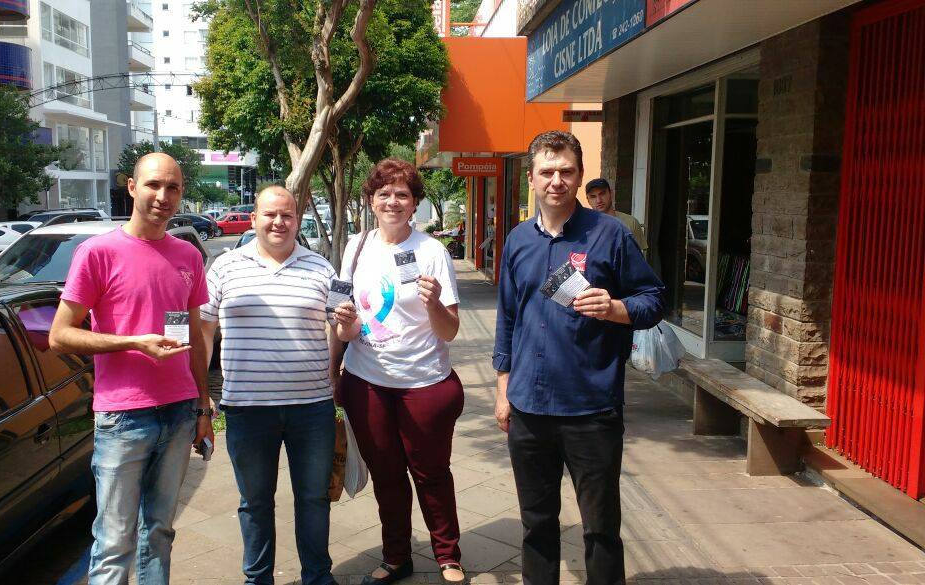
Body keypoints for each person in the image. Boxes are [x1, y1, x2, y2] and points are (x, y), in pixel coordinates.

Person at [494, 131, 665, 585]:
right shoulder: (516, 240)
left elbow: (653, 300)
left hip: (592, 408)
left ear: (579, 176)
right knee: (537, 525)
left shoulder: (610, 235)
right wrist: (502, 391)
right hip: (529, 409)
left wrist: (615, 309)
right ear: (531, 178)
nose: (556, 181)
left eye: (566, 171)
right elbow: (507, 318)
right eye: (547, 172)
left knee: (601, 528)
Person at [49, 152, 214, 585]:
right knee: (114, 541)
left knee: (159, 533)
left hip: (179, 413)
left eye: (173, 187)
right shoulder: (98, 252)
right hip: (123, 416)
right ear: (132, 187)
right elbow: (60, 335)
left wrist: (203, 406)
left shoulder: (188, 255)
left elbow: (195, 337)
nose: (163, 196)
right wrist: (133, 343)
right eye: (154, 185)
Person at [200, 186, 355, 585]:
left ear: (298, 218)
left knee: (314, 500)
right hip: (247, 410)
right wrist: (200, 392)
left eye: (287, 215)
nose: (278, 222)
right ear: (253, 219)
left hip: (311, 408)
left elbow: (342, 327)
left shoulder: (322, 269)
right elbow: (203, 331)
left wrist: (347, 332)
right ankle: (258, 579)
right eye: (269, 214)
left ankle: (318, 577)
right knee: (254, 504)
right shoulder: (224, 267)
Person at [335, 158, 466, 585]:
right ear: (371, 200)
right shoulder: (355, 247)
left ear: (415, 204)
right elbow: (347, 323)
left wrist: (431, 304)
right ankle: (396, 556)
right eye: (384, 193)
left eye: (403, 194)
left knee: (431, 475)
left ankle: (447, 554)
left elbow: (449, 331)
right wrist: (338, 349)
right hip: (366, 381)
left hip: (423, 383)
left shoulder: (432, 252)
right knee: (387, 476)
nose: (393, 201)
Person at [584, 178, 649, 256]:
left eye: (602, 194)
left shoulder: (630, 222)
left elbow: (638, 259)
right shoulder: (584, 226)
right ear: (588, 200)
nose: (599, 200)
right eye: (593, 196)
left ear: (611, 193)